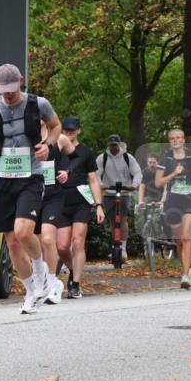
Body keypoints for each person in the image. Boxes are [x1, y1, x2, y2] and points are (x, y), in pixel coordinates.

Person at [0, 63, 62, 314]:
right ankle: (31, 292)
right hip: (3, 177)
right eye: (3, 91)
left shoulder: (38, 104)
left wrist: (48, 145)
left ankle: (40, 269)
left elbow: (56, 126)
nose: (8, 95)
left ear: (21, 81)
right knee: (11, 243)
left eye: (11, 90)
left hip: (31, 176)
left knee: (24, 232)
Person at [56, 117, 106, 298]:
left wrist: (98, 205)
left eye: (72, 130)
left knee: (77, 241)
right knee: (61, 247)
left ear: (78, 131)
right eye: (66, 130)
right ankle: (72, 269)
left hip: (81, 201)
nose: (69, 133)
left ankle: (75, 284)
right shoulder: (57, 150)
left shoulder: (85, 152)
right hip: (60, 200)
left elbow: (93, 180)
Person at [155, 129, 191, 289]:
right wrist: (174, 174)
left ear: (183, 140)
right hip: (173, 200)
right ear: (170, 141)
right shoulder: (166, 158)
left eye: (178, 138)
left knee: (186, 237)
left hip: (190, 200)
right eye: (172, 138)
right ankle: (187, 271)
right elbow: (158, 183)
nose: (176, 140)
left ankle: (185, 276)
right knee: (179, 241)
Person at [36, 120, 73, 304]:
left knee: (48, 239)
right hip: (32, 197)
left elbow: (76, 158)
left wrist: (67, 171)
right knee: (35, 247)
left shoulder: (60, 139)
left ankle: (51, 282)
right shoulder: (24, 139)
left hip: (53, 197)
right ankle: (45, 283)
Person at [96, 134, 143, 263]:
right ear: (108, 146)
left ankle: (123, 247)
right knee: (113, 220)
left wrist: (134, 184)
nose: (113, 147)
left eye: (115, 145)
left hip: (124, 191)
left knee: (122, 219)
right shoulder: (102, 158)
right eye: (111, 145)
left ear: (119, 144)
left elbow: (137, 172)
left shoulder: (128, 157)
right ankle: (115, 244)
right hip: (109, 192)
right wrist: (100, 184)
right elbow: (96, 173)